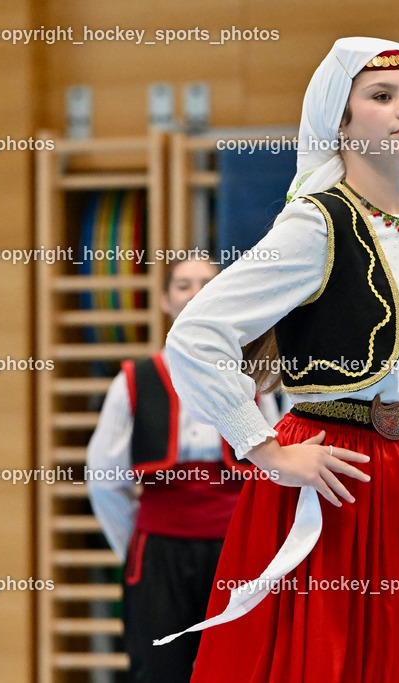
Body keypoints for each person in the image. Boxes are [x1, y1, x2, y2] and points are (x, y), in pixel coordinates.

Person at [160, 37, 399, 682]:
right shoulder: (315, 225)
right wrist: (266, 449)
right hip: (332, 472)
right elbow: (195, 335)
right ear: (338, 123)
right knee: (325, 660)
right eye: (382, 96)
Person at [86, 256, 282, 683]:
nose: (195, 294)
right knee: (158, 669)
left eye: (207, 284)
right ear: (164, 300)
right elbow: (104, 479)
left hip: (236, 549)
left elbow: (275, 470)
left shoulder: (252, 381)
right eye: (183, 285)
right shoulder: (134, 380)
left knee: (241, 670)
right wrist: (141, 546)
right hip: (160, 553)